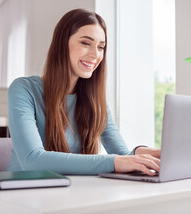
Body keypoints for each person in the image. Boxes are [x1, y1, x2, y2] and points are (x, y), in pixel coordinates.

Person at [8, 9, 160, 176]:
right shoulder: (24, 89)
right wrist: (115, 161)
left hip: (72, 192)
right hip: (24, 193)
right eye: (86, 43)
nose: (95, 55)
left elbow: (122, 156)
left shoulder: (95, 101)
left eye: (101, 47)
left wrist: (148, 153)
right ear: (62, 43)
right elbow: (33, 160)